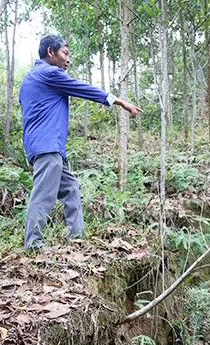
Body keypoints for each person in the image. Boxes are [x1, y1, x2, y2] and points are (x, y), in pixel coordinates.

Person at [19, 34, 140, 250]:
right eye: (65, 53)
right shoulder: (50, 73)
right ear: (50, 52)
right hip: (48, 146)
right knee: (44, 194)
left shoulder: (30, 78)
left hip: (46, 146)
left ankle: (76, 238)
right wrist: (119, 101)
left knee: (71, 188)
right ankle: (33, 243)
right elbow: (83, 89)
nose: (68, 59)